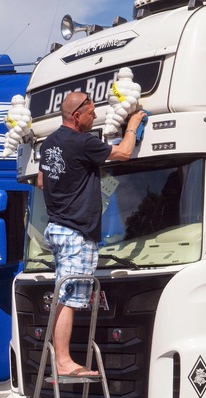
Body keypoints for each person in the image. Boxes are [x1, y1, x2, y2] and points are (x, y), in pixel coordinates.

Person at [37, 91, 145, 377]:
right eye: (90, 112)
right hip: (76, 231)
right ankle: (63, 361)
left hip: (57, 227)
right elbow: (123, 153)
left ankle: (60, 358)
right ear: (77, 116)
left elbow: (40, 181)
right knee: (69, 298)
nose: (94, 115)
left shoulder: (49, 143)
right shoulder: (82, 142)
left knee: (63, 293)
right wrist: (132, 124)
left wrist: (71, 183)